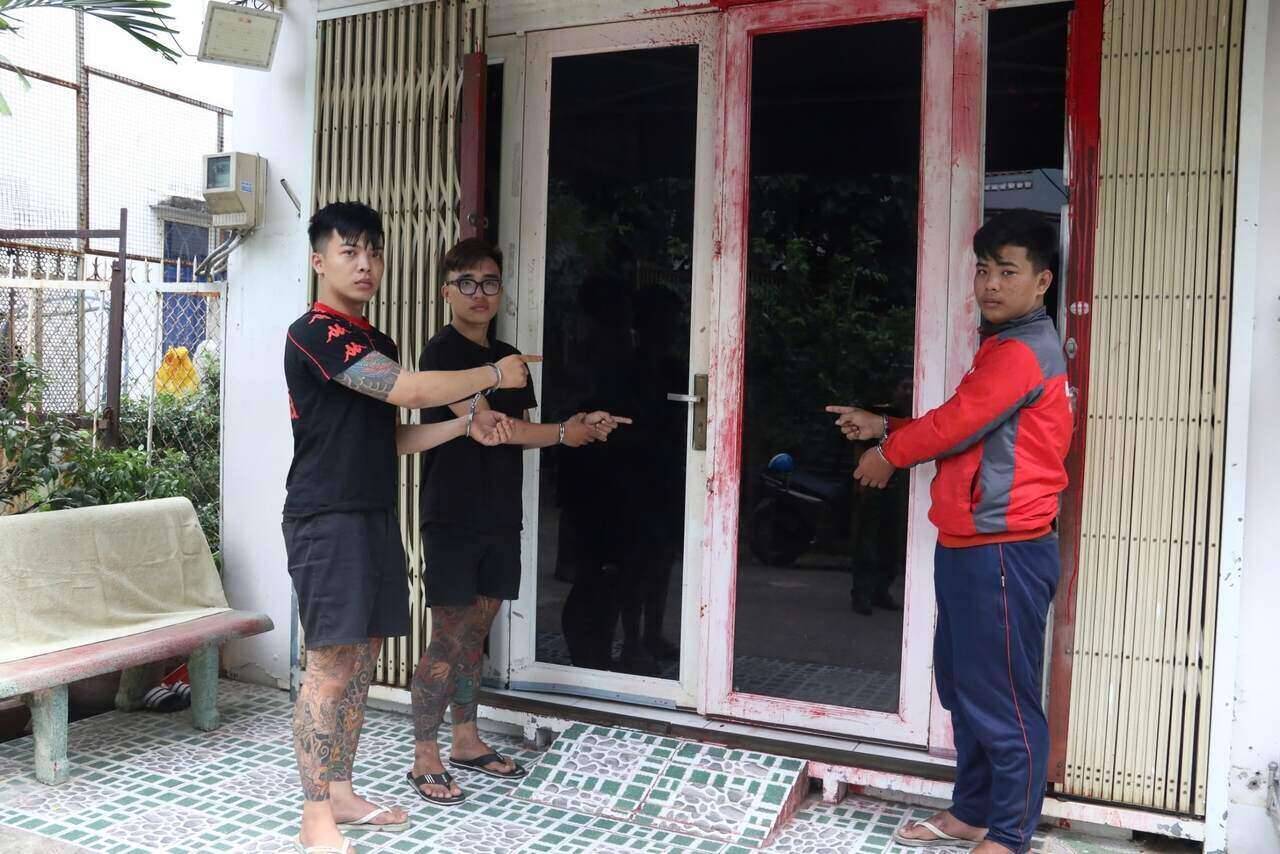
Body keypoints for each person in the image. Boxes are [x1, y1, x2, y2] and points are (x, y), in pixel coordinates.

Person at [283, 203, 536, 854]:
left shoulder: (378, 341)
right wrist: (491, 376)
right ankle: (316, 819)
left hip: (372, 513)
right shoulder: (315, 332)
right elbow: (405, 390)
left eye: (374, 251)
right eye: (349, 251)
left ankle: (341, 790)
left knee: (363, 662)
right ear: (319, 261)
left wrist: (462, 424)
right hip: (325, 516)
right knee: (331, 666)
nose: (365, 263)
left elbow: (393, 434)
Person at [827, 209, 1072, 854]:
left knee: (1002, 696)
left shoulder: (1023, 351)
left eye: (1008, 271)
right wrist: (886, 428)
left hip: (1004, 549)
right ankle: (973, 810)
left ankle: (1012, 833)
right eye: (984, 270)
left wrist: (889, 454)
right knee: (963, 682)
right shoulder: (1002, 347)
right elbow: (964, 423)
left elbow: (957, 422)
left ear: (1042, 280)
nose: (990, 284)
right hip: (972, 544)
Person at [406, 239, 630, 806]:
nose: (480, 293)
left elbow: (519, 429)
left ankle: (466, 739)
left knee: (477, 636)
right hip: (453, 514)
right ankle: (424, 756)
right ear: (446, 291)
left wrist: (568, 425)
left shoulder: (508, 357)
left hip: (501, 513)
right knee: (448, 637)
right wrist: (564, 433)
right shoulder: (441, 355)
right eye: (467, 283)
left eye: (490, 282)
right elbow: (490, 425)